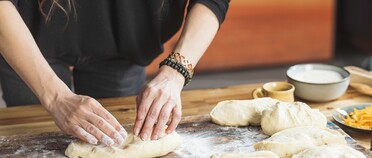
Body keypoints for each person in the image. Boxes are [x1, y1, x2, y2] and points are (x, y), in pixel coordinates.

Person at [0, 0, 229, 146]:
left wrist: (176, 71)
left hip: (124, 44)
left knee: (116, 146)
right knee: (37, 153)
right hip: (24, 37)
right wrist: (55, 97)